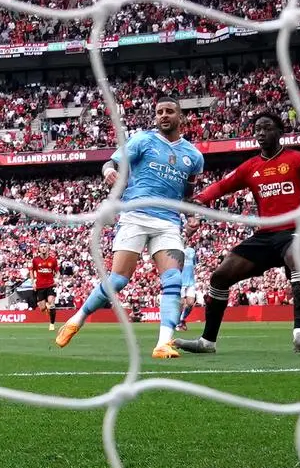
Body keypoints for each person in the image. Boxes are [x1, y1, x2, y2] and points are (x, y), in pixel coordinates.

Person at [174, 111, 300, 355]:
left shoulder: (299, 160)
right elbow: (223, 186)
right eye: (257, 130)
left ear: (280, 132)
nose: (261, 134)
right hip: (265, 236)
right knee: (220, 277)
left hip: (295, 233)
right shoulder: (251, 167)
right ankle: (207, 342)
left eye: (267, 128)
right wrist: (199, 200)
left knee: (296, 255)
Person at [56, 98, 204, 359]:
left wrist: (191, 215)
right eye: (159, 112)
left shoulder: (193, 155)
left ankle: (163, 344)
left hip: (169, 221)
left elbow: (188, 195)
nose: (164, 115)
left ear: (181, 117)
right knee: (119, 280)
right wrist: (108, 172)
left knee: (172, 281)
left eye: (169, 111)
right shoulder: (142, 140)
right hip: (135, 215)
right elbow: (109, 163)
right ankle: (77, 319)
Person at [29, 245, 59, 331]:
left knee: (51, 303)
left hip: (50, 285)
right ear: (39, 249)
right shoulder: (35, 260)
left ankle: (52, 324)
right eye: (41, 247)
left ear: (47, 248)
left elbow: (57, 272)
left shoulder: (53, 260)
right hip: (39, 286)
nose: (43, 248)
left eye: (45, 246)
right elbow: (31, 271)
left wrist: (57, 279)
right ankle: (46, 307)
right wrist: (32, 282)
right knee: (42, 308)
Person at [178, 245, 197, 331]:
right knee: (181, 304)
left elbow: (194, 264)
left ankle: (182, 319)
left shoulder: (192, 251)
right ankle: (178, 322)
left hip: (191, 281)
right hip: (181, 281)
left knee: (190, 303)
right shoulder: (177, 250)